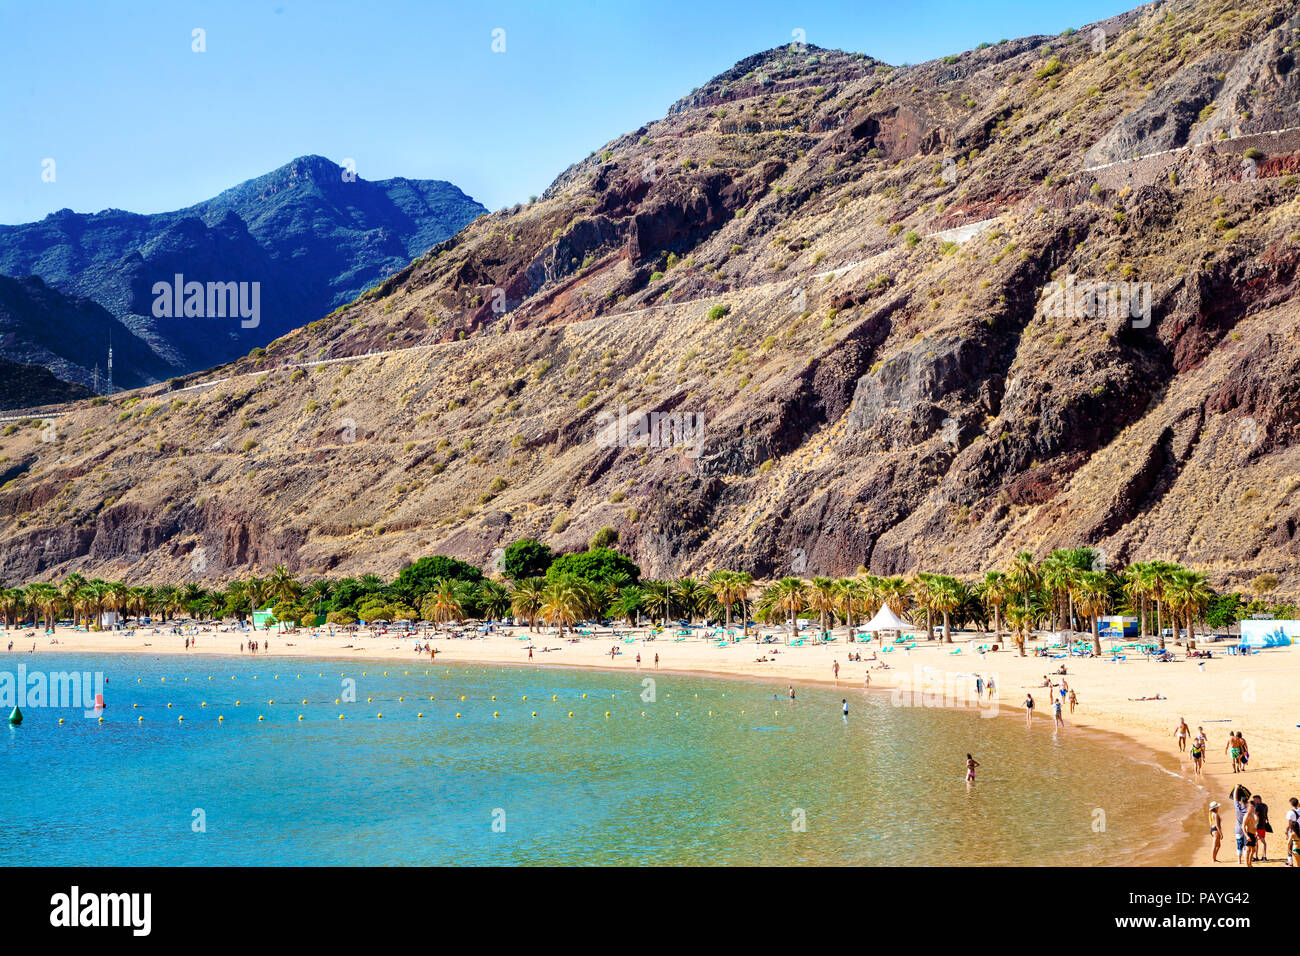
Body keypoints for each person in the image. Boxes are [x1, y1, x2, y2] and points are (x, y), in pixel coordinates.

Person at [1252, 794, 1271, 862]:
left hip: (1257, 827)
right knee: (1260, 842)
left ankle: (1259, 856)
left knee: (1258, 842)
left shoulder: (1257, 807)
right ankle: (1262, 856)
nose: (1254, 801)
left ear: (1258, 799)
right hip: (1263, 826)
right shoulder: (1265, 805)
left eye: (1254, 800)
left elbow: (1255, 816)